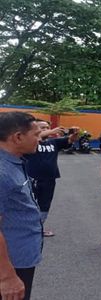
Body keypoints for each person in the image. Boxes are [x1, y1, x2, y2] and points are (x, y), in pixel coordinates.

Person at [0, 112, 42, 300]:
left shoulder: (14, 161)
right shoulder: (2, 172)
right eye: (36, 135)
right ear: (17, 137)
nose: (40, 139)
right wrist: (7, 277)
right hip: (11, 263)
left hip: (21, 257)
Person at [25, 119, 79, 237]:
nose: (45, 130)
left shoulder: (53, 142)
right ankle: (29, 228)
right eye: (41, 128)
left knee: (45, 205)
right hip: (31, 179)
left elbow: (70, 140)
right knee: (30, 204)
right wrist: (50, 131)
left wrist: (74, 134)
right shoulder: (29, 142)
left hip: (49, 178)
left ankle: (38, 227)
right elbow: (38, 137)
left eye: (46, 127)